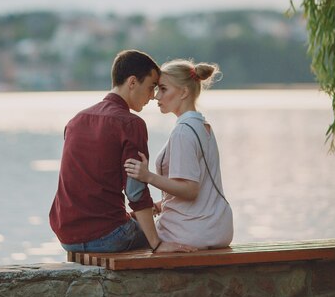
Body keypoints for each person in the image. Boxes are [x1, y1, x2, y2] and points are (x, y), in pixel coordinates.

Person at [49, 49, 195, 254]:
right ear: (132, 82)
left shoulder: (76, 120)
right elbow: (135, 191)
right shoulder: (130, 124)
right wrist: (158, 244)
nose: (153, 96)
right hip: (108, 237)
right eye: (151, 87)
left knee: (138, 221)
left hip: (67, 236)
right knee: (173, 232)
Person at [124, 59, 233, 250]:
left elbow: (190, 190)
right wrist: (158, 206)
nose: (157, 96)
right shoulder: (203, 126)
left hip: (191, 231)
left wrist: (147, 176)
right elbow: (199, 188)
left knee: (123, 235)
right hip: (218, 228)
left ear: (184, 92)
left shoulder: (183, 131)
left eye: (163, 89)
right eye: (157, 89)